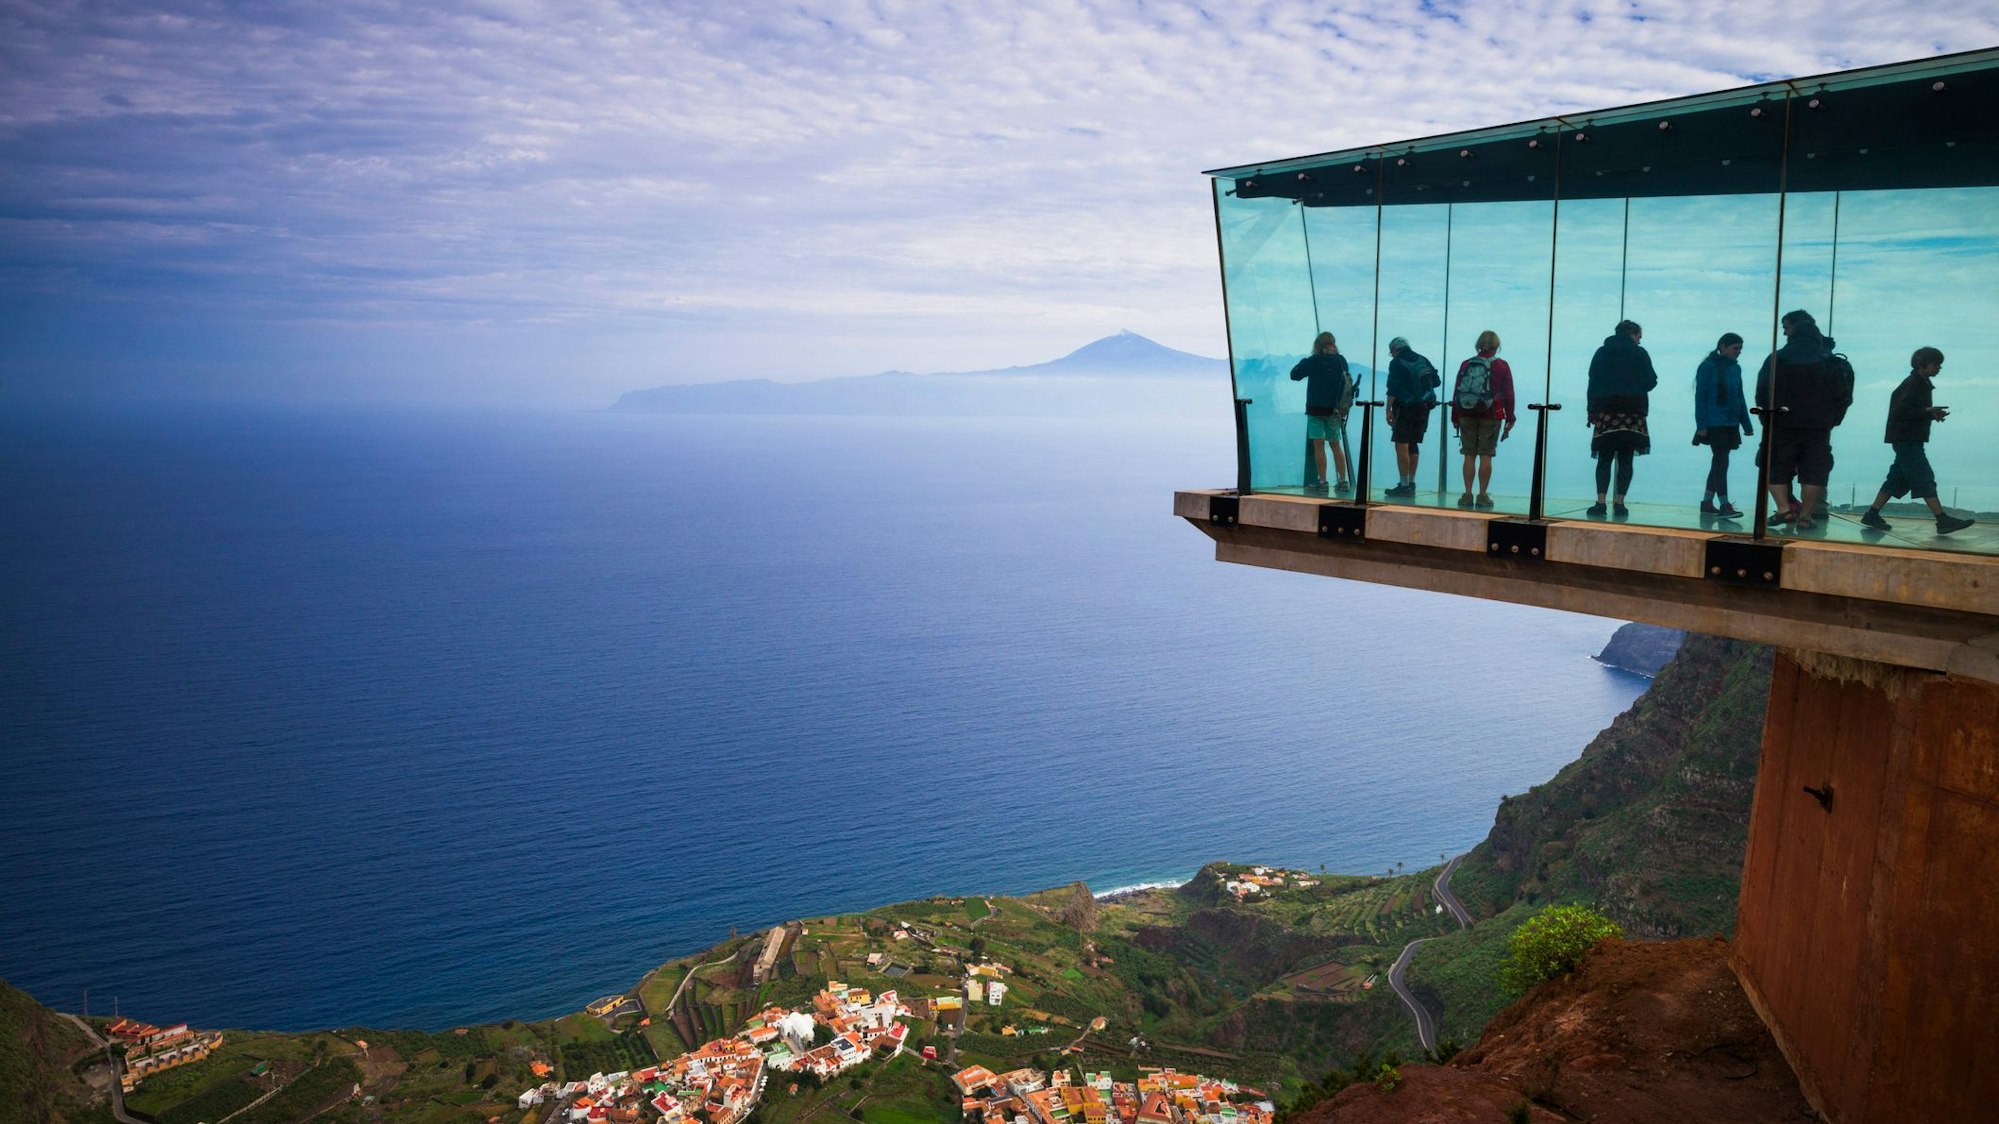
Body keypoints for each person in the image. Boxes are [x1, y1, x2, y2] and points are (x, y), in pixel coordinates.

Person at [1857, 347, 1974, 536]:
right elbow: (1899, 413)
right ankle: (1942, 519)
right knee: (1923, 475)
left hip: (1907, 439)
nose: (1939, 369)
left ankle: (1872, 514)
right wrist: (1927, 412)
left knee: (1896, 478)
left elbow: (1909, 412)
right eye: (1936, 365)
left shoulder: (1919, 383)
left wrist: (1930, 414)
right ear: (1923, 365)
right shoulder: (1913, 384)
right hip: (1907, 439)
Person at [1754, 309, 1851, 531]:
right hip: (1817, 426)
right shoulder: (1830, 361)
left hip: (1782, 422)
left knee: (1775, 466)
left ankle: (1784, 510)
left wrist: (1766, 419)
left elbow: (1762, 390)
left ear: (1793, 335)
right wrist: (1833, 419)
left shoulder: (1777, 358)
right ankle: (1806, 516)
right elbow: (1842, 395)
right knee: (1814, 471)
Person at [1583, 320, 1659, 518]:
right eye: (1639, 336)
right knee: (1626, 459)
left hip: (1606, 412)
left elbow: (1593, 381)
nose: (1640, 340)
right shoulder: (1639, 353)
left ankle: (1600, 503)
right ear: (1632, 334)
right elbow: (1651, 381)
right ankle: (1620, 503)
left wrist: (1591, 409)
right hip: (1632, 413)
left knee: (1604, 458)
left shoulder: (1601, 352)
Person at [1450, 329, 1515, 509]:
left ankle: (1467, 495)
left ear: (1478, 345)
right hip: (1491, 414)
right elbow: (1508, 393)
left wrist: (1455, 416)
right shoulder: (1502, 366)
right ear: (1497, 346)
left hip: (1466, 414)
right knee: (1486, 455)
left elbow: (1457, 391)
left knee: (1469, 454)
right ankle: (1483, 496)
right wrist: (1510, 417)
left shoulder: (1466, 364)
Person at [1693, 332, 1753, 519]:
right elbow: (1700, 397)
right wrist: (1701, 425)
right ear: (1723, 347)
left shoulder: (1736, 369)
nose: (1739, 352)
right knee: (1721, 461)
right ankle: (1724, 503)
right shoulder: (1708, 367)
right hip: (1714, 422)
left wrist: (1746, 423)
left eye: (1740, 349)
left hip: (1731, 422)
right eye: (1736, 348)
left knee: (1720, 461)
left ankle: (1707, 502)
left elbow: (1739, 396)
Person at [1289, 331, 1353, 495]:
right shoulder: (1341, 360)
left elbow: (1294, 375)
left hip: (1315, 409)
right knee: (1335, 444)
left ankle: (1323, 481)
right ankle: (1343, 480)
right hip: (1335, 410)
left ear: (1317, 345)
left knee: (1319, 444)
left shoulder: (1313, 361)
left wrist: (1304, 360)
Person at [1383, 336, 1440, 498]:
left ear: (1395, 349)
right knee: (1413, 444)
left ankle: (1404, 484)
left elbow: (1392, 388)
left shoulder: (1396, 363)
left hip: (1405, 407)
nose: (1392, 355)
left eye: (1391, 352)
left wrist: (1388, 409)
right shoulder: (1423, 359)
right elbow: (1436, 381)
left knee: (1401, 444)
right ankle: (1411, 483)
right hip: (1424, 408)